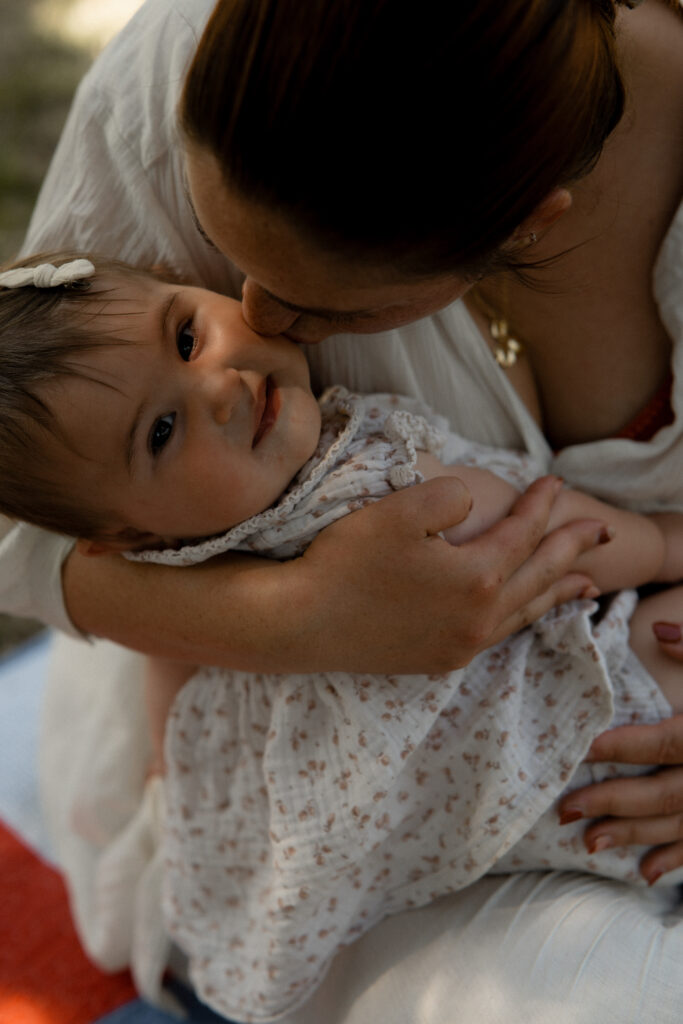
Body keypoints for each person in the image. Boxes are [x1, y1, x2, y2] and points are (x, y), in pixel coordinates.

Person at [10, 0, 683, 1020]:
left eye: (330, 306)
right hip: (353, 845)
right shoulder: (187, 77)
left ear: (529, 222)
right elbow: (28, 518)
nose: (260, 323)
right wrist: (298, 619)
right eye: (228, 263)